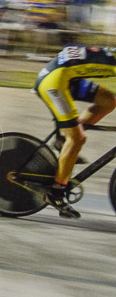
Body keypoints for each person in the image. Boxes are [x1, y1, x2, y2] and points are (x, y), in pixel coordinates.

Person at [32, 45, 116, 219]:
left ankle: (65, 139)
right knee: (78, 139)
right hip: (54, 84)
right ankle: (56, 192)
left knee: (109, 101)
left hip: (66, 78)